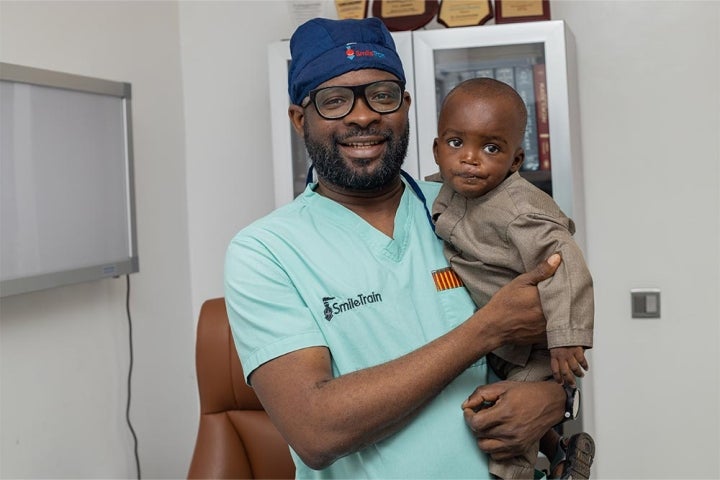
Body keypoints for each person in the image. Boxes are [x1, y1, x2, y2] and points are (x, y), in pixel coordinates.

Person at [225, 17, 572, 479]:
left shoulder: (468, 208)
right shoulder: (266, 251)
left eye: (382, 95)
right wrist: (486, 329)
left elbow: (551, 321)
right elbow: (315, 431)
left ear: (405, 106)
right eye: (334, 101)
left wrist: (557, 400)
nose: (363, 115)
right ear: (298, 119)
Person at [430, 77, 596, 479]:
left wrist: (566, 334)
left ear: (516, 160)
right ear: (437, 150)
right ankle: (561, 452)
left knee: (506, 421)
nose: (470, 158)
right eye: (456, 144)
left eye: (491, 148)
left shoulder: (520, 210)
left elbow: (565, 262)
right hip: (491, 338)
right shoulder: (438, 189)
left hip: (533, 348)